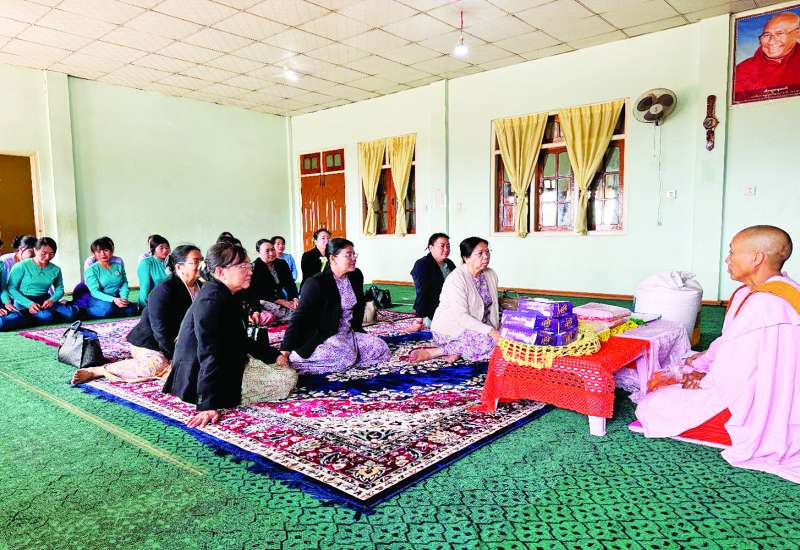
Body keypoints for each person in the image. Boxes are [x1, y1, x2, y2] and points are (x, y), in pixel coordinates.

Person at [636, 225, 800, 483]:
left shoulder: (766, 302)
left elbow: (738, 370)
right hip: (769, 385)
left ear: (756, 258)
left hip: (766, 396)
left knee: (652, 404)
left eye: (733, 252)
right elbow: (730, 341)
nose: (727, 259)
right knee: (680, 370)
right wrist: (702, 360)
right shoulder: (761, 291)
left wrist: (704, 379)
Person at [163, 242, 291, 429]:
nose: (250, 271)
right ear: (220, 271)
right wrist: (207, 404)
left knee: (283, 371)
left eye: (249, 265)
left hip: (222, 362)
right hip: (197, 377)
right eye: (243, 266)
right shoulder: (211, 300)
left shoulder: (227, 293)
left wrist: (273, 355)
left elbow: (238, 337)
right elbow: (208, 352)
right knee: (285, 379)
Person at [71, 245, 204, 385]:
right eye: (196, 262)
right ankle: (99, 370)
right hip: (152, 344)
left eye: (202, 260)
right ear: (179, 267)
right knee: (158, 365)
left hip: (181, 342)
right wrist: (176, 356)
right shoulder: (164, 290)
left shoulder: (201, 287)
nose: (201, 265)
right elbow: (160, 331)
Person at [279, 238, 391, 375]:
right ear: (333, 258)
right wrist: (285, 350)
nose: (354, 258)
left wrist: (359, 330)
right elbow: (299, 317)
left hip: (348, 332)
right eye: (348, 255)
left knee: (380, 348)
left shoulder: (355, 275)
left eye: (354, 254)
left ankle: (350, 356)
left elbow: (359, 305)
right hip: (324, 334)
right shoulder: (316, 282)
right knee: (344, 357)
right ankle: (296, 359)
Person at [409, 237, 500, 363]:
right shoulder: (457, 278)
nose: (486, 256)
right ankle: (435, 352)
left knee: (509, 336)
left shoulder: (490, 274)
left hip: (478, 326)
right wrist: (491, 331)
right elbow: (461, 317)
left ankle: (456, 350)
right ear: (466, 258)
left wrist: (495, 328)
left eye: (487, 252)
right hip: (451, 328)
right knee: (488, 343)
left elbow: (492, 306)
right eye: (480, 253)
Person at [0, 237, 78, 331]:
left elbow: (59, 289)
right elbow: (11, 288)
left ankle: (35, 316)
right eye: (43, 253)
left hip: (44, 299)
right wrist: (29, 304)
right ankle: (30, 315)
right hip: (24, 299)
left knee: (71, 314)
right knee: (46, 316)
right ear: (35, 250)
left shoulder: (55, 269)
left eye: (51, 254)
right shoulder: (21, 266)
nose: (47, 257)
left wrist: (52, 300)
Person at [734, 12, 800, 102]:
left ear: (797, 34)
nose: (771, 42)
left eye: (779, 33)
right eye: (766, 35)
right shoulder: (743, 70)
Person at [78, 237, 137, 319]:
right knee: (108, 309)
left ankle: (113, 309)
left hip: (115, 297)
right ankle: (84, 311)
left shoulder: (118, 265)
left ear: (111, 251)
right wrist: (114, 300)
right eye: (98, 251)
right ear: (94, 254)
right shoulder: (91, 269)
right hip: (98, 298)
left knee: (131, 310)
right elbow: (95, 292)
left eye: (106, 250)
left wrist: (123, 298)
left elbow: (124, 283)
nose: (103, 254)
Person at [245, 238, 299, 324]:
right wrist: (279, 301)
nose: (271, 253)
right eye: (267, 251)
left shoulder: (282, 264)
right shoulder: (254, 268)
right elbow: (254, 293)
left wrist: (294, 298)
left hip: (281, 299)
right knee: (273, 315)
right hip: (263, 301)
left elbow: (290, 284)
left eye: (272, 249)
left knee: (300, 308)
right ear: (259, 252)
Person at [410, 232, 456, 326]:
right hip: (433, 310)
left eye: (448, 246)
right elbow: (422, 292)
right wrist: (418, 320)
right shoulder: (422, 265)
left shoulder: (449, 264)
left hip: (451, 306)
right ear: (431, 248)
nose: (446, 249)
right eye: (442, 246)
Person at [137, 234, 170, 307]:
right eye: (161, 248)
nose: (165, 250)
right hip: (153, 303)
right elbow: (144, 290)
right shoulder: (146, 263)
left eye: (167, 248)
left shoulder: (172, 262)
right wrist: (146, 307)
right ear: (154, 249)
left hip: (169, 301)